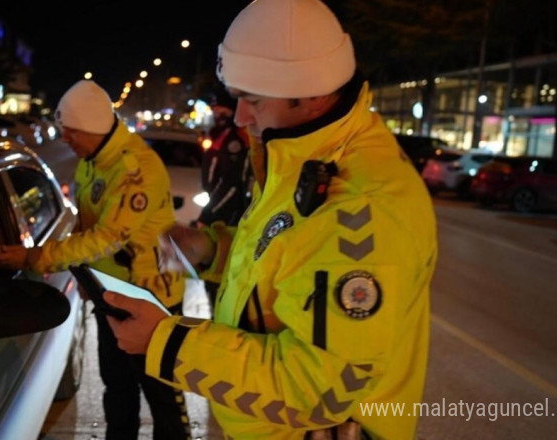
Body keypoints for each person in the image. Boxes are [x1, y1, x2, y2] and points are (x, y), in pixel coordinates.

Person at [103, 0, 438, 439]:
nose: (241, 117)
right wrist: (212, 250)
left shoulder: (360, 208)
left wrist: (165, 342)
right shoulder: (302, 154)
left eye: (252, 100)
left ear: (312, 94)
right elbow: (285, 262)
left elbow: (318, 391)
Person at [0, 80, 190, 440]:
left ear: (93, 128)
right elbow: (84, 227)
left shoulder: (133, 171)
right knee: (117, 386)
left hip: (149, 297)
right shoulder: (91, 162)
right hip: (110, 293)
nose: (65, 139)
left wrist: (36, 257)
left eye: (71, 132)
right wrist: (85, 279)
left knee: (161, 393)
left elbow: (105, 239)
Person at [198, 88, 252, 312]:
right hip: (220, 208)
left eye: (219, 107)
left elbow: (231, 185)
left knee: (219, 279)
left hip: (227, 216)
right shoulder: (219, 133)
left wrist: (208, 214)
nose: (215, 111)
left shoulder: (234, 137)